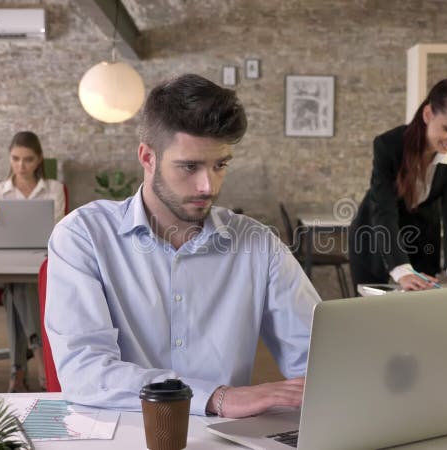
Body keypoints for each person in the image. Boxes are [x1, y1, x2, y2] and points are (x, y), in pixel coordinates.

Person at [44, 74, 321, 417]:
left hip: (223, 440)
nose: (208, 185)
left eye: (220, 165)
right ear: (148, 158)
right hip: (120, 432)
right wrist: (215, 397)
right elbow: (83, 372)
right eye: (190, 167)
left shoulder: (258, 244)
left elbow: (317, 358)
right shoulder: (83, 235)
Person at [349, 79, 447, 291]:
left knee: (420, 312)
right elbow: (384, 209)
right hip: (376, 236)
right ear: (428, 114)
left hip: (422, 236)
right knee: (372, 317)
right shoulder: (388, 145)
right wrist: (401, 270)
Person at [0, 131, 66, 392]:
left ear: (39, 159)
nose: (21, 165)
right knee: (20, 284)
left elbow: (60, 232)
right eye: (16, 159)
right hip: (0, 265)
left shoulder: (54, 189)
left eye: (28, 159)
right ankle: (41, 360)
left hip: (39, 263)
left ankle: (17, 373)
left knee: (17, 289)